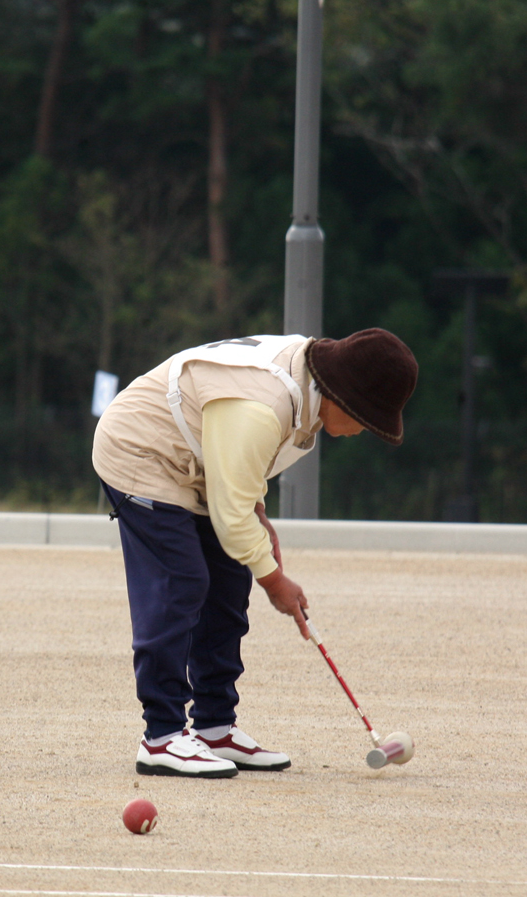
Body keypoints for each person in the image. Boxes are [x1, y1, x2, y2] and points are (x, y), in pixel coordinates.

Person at [92, 330, 419, 778]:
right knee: (183, 582)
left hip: (195, 462)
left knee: (228, 582)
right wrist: (275, 582)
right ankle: (162, 736)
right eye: (367, 418)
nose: (364, 430)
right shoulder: (264, 406)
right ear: (343, 398)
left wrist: (258, 522)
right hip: (142, 451)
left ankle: (214, 726)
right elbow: (231, 513)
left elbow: (240, 473)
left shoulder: (306, 386)